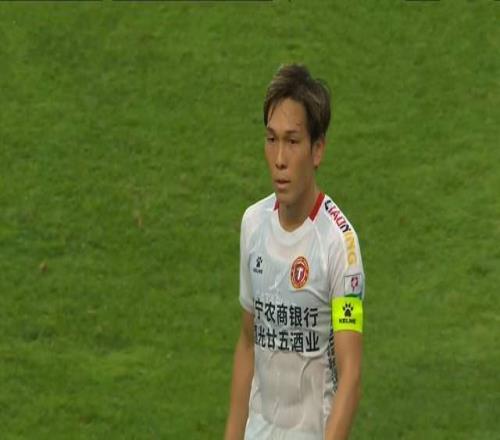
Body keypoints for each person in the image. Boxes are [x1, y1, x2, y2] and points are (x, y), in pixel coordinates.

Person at [224, 64, 365, 440]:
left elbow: (351, 374)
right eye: (271, 140)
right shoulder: (253, 225)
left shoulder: (340, 246)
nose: (279, 159)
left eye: (292, 141)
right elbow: (249, 342)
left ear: (317, 150)